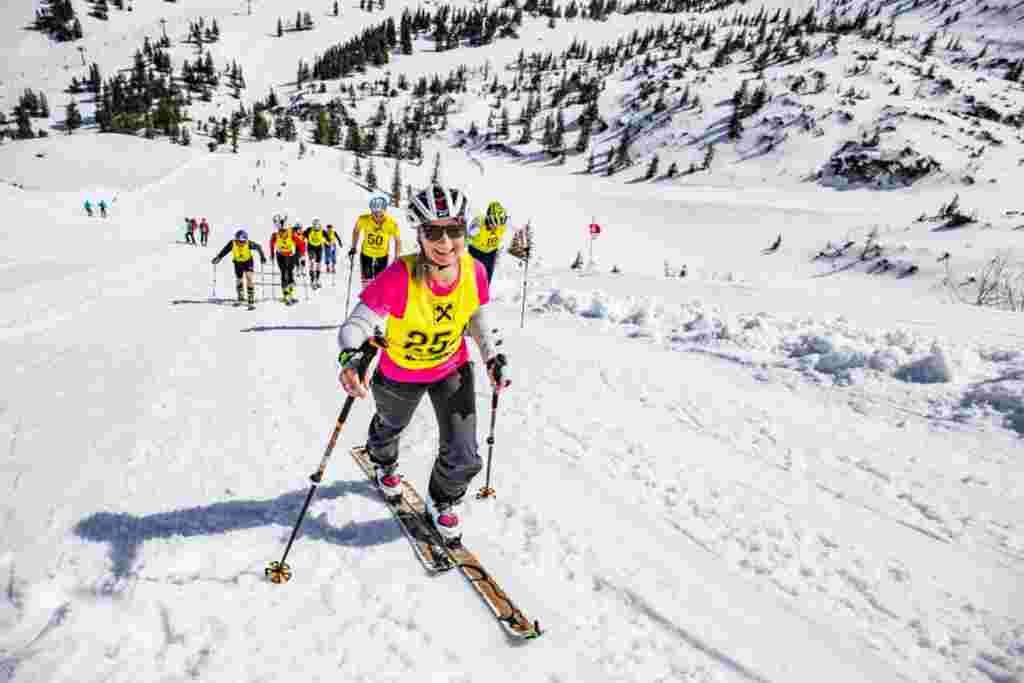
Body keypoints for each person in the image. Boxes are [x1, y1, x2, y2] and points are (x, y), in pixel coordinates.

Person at [336, 183, 507, 544]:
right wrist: (351, 357)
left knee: (464, 452)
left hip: (451, 368)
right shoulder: (401, 275)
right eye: (433, 231)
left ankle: (442, 500)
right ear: (419, 234)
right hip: (400, 372)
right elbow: (358, 323)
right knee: (389, 427)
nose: (446, 242)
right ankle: (383, 461)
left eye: (454, 230)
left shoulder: (474, 270)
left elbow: (475, 312)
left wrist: (491, 354)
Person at [350, 193, 401, 287]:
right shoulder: (363, 219)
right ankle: (366, 298)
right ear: (371, 212)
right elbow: (356, 230)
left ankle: (378, 299)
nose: (377, 217)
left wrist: (397, 256)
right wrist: (353, 246)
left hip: (382, 255)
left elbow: (397, 240)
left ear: (384, 211)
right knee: (367, 281)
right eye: (375, 214)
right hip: (366, 254)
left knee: (379, 282)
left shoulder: (391, 223)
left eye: (380, 215)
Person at [212, 229, 267, 307]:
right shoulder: (232, 243)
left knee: (249, 278)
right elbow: (224, 251)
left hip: (248, 262)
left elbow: (259, 247)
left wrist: (262, 257)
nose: (241, 243)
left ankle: (250, 297)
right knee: (239, 279)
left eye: (243, 242)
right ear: (236, 239)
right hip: (237, 262)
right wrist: (218, 258)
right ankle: (240, 297)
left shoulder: (249, 243)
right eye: (239, 241)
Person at [467, 201, 509, 283]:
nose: (496, 227)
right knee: (474, 278)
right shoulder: (478, 224)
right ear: (489, 218)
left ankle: (484, 293)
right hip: (476, 252)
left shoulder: (503, 225)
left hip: (491, 253)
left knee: (486, 279)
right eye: (494, 223)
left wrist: (525, 245)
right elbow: (466, 238)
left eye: (499, 224)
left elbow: (518, 229)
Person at [270, 223, 301, 304]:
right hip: (280, 256)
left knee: (290, 274)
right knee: (284, 273)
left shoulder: (291, 235)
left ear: (287, 230)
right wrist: (272, 254)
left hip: (290, 256)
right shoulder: (275, 235)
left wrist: (299, 254)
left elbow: (301, 244)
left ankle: (291, 295)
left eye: (284, 231)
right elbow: (271, 243)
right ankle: (285, 296)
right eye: (280, 231)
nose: (282, 232)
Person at [304, 218, 327, 289]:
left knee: (318, 264)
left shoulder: (322, 231)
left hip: (319, 248)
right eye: (314, 225)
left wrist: (329, 241)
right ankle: (312, 280)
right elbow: (302, 235)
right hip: (311, 248)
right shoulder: (309, 229)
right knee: (312, 262)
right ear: (313, 225)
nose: (316, 226)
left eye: (317, 225)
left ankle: (317, 279)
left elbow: (328, 238)